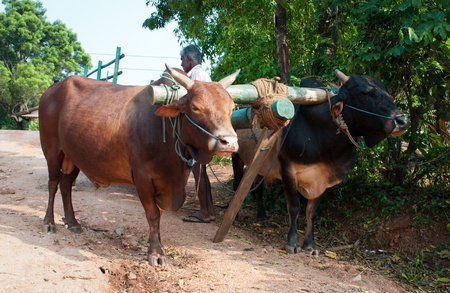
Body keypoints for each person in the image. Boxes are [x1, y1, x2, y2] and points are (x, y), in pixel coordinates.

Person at [180, 45, 215, 223]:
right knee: (200, 170)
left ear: (189, 59)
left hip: (199, 131)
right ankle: (208, 209)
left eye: (182, 59)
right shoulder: (198, 74)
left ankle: (205, 211)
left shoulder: (197, 76)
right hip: (202, 130)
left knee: (197, 169)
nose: (181, 63)